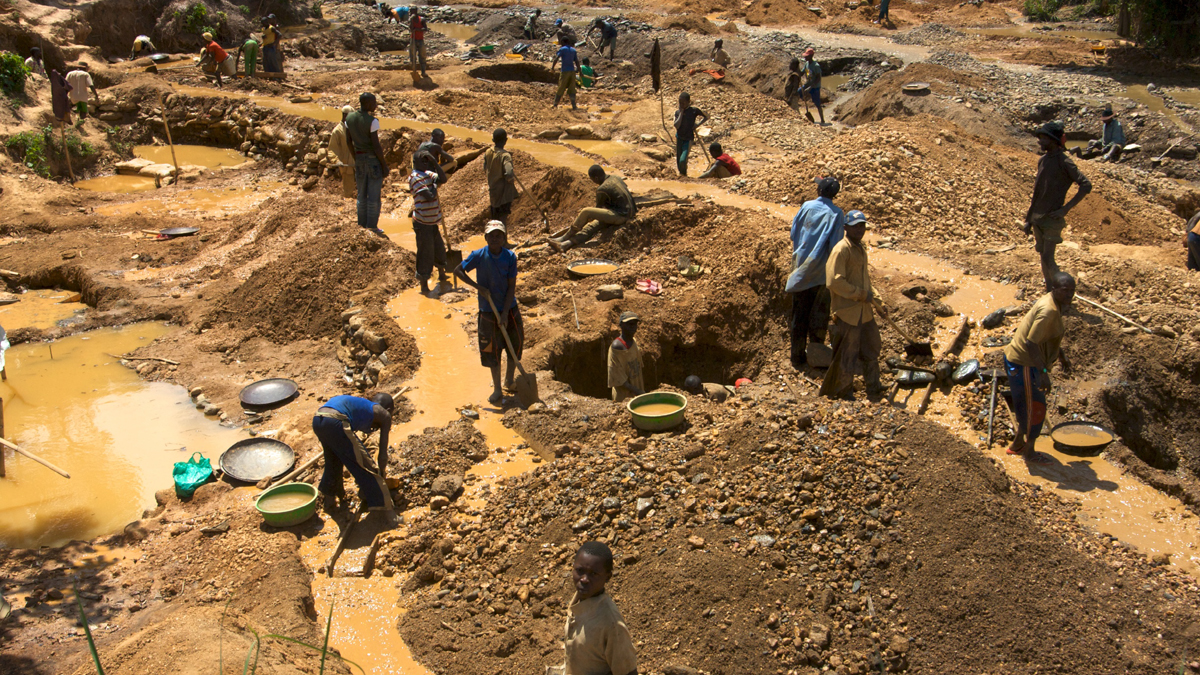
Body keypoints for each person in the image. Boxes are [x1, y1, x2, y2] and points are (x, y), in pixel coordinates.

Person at [1003, 272, 1075, 463]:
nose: (1070, 295)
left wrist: (1061, 356)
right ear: (1054, 290)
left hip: (1024, 361)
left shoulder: (1054, 303)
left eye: (1072, 291)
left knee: (1030, 404)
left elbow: (1047, 336)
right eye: (1065, 291)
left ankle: (1018, 443)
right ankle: (1029, 452)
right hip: (1024, 363)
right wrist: (1042, 373)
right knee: (1035, 406)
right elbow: (1031, 343)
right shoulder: (1049, 311)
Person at [820, 210, 884, 399]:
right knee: (847, 354)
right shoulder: (842, 249)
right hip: (848, 313)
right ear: (846, 227)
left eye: (862, 226)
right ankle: (843, 392)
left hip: (864, 312)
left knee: (871, 348)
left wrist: (878, 302)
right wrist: (860, 295)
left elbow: (866, 281)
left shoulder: (860, 248)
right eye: (855, 226)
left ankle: (874, 387)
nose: (860, 230)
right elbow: (834, 282)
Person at [455, 221, 521, 405]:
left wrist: (505, 313)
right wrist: (478, 287)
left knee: (514, 346)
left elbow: (511, 287)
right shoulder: (478, 255)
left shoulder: (510, 257)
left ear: (504, 238)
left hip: (509, 308)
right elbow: (458, 270)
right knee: (492, 351)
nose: (495, 238)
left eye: (499, 235)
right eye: (491, 235)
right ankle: (498, 389)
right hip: (487, 310)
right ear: (485, 238)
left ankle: (509, 380)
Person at [554, 542, 639, 675]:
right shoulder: (578, 600)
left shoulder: (611, 623)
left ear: (608, 577)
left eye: (593, 574)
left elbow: (628, 672)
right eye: (580, 571)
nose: (584, 579)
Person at [1025, 121, 1091, 291]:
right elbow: (1037, 193)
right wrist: (1029, 219)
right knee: (1043, 256)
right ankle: (1050, 290)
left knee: (1048, 258)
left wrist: (1065, 209)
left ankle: (1064, 291)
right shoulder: (1043, 161)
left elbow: (1086, 185)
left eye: (1044, 138)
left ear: (1053, 140)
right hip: (1038, 217)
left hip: (1052, 218)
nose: (1040, 141)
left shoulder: (1065, 162)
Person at [786, 177, 843, 369]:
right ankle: (816, 353)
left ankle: (797, 357)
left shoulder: (807, 206)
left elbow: (794, 233)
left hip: (801, 267)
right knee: (819, 313)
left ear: (819, 190)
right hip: (821, 272)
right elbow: (835, 246)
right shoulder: (837, 214)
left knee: (799, 315)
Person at [314, 393, 396, 521]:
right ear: (389, 410)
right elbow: (382, 455)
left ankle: (329, 502)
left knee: (333, 461)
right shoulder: (384, 415)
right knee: (368, 467)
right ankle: (387, 516)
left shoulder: (364, 406)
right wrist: (382, 476)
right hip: (336, 420)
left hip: (319, 419)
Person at [550, 165, 636, 253]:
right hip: (629, 212)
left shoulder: (602, 189)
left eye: (592, 180)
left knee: (586, 211)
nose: (593, 182)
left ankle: (566, 236)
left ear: (596, 178)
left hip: (621, 215)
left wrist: (585, 218)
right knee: (591, 227)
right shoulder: (616, 178)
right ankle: (566, 244)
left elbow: (598, 208)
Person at [346, 92, 390, 235]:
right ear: (367, 103)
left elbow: (348, 141)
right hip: (372, 161)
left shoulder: (349, 118)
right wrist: (384, 164)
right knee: (373, 196)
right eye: (374, 102)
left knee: (361, 194)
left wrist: (356, 156)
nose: (376, 105)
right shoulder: (372, 121)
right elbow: (376, 145)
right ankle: (372, 226)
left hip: (359, 159)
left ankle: (362, 225)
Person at [409, 151, 449, 293]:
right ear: (415, 162)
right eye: (423, 161)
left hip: (432, 221)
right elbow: (430, 196)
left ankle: (442, 274)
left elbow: (443, 179)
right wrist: (434, 185)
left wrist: (434, 162)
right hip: (422, 222)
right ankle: (424, 285)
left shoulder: (427, 173)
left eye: (427, 161)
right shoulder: (415, 177)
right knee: (425, 253)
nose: (426, 163)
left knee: (439, 248)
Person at [608, 312, 645, 402]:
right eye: (629, 324)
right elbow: (619, 379)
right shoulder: (617, 347)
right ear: (621, 325)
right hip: (624, 397)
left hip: (637, 392)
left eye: (635, 324)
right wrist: (639, 392)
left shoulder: (633, 342)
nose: (633, 327)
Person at [484, 127, 517, 223]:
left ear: (493, 140)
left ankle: (494, 236)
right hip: (503, 195)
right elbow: (509, 173)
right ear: (505, 141)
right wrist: (510, 180)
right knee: (502, 220)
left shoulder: (488, 152)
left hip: (493, 190)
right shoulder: (505, 156)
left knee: (494, 218)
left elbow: (485, 167)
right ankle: (503, 237)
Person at [673, 92, 708, 177]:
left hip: (688, 139)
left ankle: (683, 175)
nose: (681, 105)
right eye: (680, 103)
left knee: (682, 160)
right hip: (679, 138)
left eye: (683, 103)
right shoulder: (677, 112)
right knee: (678, 161)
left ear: (689, 102)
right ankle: (682, 175)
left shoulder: (693, 111)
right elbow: (676, 125)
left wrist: (697, 125)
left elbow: (707, 116)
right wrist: (681, 113)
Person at [328, 105, 356, 199]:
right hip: (346, 165)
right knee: (349, 190)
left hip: (358, 164)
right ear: (345, 116)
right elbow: (332, 149)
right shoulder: (338, 131)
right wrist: (336, 161)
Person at [551, 35, 579, 110]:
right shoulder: (573, 50)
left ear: (563, 42)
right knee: (572, 88)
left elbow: (556, 58)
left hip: (565, 71)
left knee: (561, 87)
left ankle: (555, 105)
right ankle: (574, 106)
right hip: (572, 72)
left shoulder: (562, 49)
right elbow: (577, 61)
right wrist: (580, 71)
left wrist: (552, 67)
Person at [802, 48, 825, 125]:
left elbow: (818, 78)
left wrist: (811, 87)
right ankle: (804, 105)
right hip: (808, 83)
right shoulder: (806, 64)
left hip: (815, 86)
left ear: (811, 56)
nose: (805, 58)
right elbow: (802, 72)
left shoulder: (816, 65)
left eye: (806, 56)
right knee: (799, 91)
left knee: (817, 104)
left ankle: (822, 120)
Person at [409, 7, 428, 77]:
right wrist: (411, 20)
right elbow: (411, 29)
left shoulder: (422, 19)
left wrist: (417, 29)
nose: (410, 13)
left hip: (420, 40)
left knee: (422, 56)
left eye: (412, 12)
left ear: (415, 12)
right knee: (412, 55)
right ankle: (414, 70)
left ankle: (423, 72)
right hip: (413, 39)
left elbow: (425, 29)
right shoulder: (411, 20)